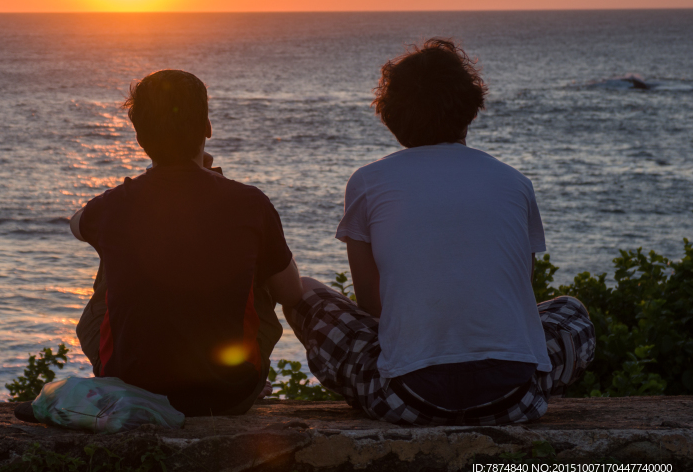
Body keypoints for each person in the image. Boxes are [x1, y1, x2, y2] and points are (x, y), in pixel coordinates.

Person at [287, 39, 595, 425]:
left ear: (391, 115)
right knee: (571, 311)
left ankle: (385, 383)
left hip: (409, 400)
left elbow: (371, 303)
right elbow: (520, 294)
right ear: (470, 107)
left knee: (304, 293)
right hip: (514, 400)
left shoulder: (368, 181)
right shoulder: (514, 183)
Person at [70, 69, 304, 416]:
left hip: (131, 387)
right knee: (258, 268)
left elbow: (76, 224)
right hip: (228, 395)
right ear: (207, 128)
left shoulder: (114, 205)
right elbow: (293, 293)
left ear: (140, 138)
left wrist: (131, 196)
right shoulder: (250, 203)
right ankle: (237, 367)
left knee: (112, 252)